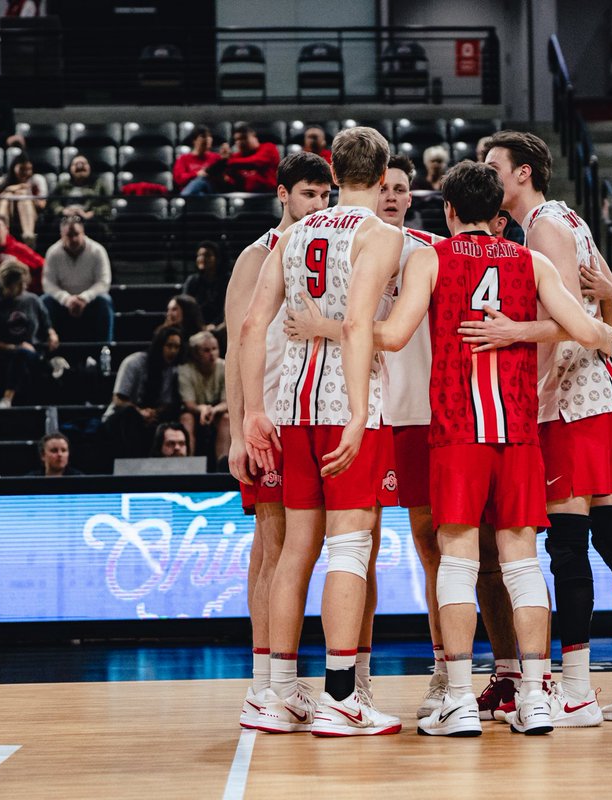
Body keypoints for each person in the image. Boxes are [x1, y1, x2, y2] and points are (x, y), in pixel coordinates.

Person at [372, 161, 612, 736]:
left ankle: (457, 699)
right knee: (523, 567)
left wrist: (332, 325)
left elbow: (392, 335)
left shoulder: (431, 257)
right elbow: (594, 333)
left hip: (456, 432)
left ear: (449, 211)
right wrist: (533, 329)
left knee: (456, 563)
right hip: (519, 434)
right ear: (499, 215)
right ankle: (534, 697)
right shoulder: (530, 261)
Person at [483, 129, 612, 723]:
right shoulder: (568, 219)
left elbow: (570, 322)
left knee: (568, 547)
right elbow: (609, 305)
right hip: (605, 394)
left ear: (523, 174)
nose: (487, 175)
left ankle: (574, 687)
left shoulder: (543, 226)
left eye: (494, 167)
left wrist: (514, 335)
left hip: (572, 400)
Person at [238, 127, 403, 736]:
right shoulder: (380, 234)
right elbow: (358, 325)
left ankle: (275, 693)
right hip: (342, 402)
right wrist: (360, 412)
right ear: (383, 175)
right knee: (351, 547)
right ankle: (341, 697)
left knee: (296, 549)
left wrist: (255, 410)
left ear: (334, 174)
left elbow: (255, 326)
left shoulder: (295, 231)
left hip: (292, 404)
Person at [283, 153, 450, 719]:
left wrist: (322, 328)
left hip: (421, 413)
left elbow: (380, 331)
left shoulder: (426, 250)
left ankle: (444, 676)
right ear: (374, 189)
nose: (395, 197)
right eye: (389, 188)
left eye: (404, 190)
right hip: (371, 411)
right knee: (363, 550)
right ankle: (356, 678)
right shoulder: (351, 241)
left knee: (433, 548)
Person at [223, 151, 332, 730]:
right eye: (308, 194)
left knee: (304, 549)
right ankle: (266, 683)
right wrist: (240, 427)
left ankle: (281, 681)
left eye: (325, 195)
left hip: (313, 413)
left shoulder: (329, 250)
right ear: (283, 194)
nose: (318, 204)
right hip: (268, 420)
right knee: (273, 544)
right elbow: (236, 346)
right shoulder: (258, 254)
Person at [0, 259, 60, 408]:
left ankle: (7, 397)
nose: (25, 286)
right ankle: (9, 396)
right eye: (20, 283)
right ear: (10, 285)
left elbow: (47, 326)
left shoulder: (33, 300)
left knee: (24, 356)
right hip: (3, 355)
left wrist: (52, 336)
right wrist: (15, 347)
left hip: (33, 355)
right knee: (19, 356)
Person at [102, 326, 185, 458]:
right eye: (169, 346)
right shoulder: (134, 362)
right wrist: (140, 412)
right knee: (130, 416)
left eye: (177, 347)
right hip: (121, 417)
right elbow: (118, 399)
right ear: (160, 345)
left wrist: (153, 413)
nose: (173, 351)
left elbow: (167, 403)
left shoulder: (172, 370)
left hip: (152, 418)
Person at [42, 214, 114, 343]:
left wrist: (83, 298)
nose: (73, 239)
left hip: (90, 302)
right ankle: (47, 349)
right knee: (44, 300)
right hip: (63, 303)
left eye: (76, 234)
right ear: (61, 235)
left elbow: (104, 282)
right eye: (69, 235)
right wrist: (66, 299)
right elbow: (48, 283)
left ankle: (104, 348)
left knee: (105, 300)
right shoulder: (53, 252)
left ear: (83, 233)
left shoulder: (97, 251)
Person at [178, 330, 228, 466]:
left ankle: (222, 466)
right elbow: (188, 403)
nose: (211, 354)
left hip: (217, 412)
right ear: (195, 353)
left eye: (214, 349)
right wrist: (202, 409)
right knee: (186, 418)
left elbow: (228, 402)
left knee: (227, 418)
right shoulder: (185, 371)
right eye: (206, 350)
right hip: (195, 413)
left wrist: (213, 410)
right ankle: (186, 465)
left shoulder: (225, 367)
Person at [0, 153, 47, 245]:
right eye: (22, 169)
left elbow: (42, 205)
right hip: (6, 213)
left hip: (31, 216)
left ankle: (29, 237)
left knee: (23, 196)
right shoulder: (0, 182)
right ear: (13, 168)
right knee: (7, 197)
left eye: (29, 169)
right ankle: (4, 235)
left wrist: (28, 193)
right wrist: (7, 191)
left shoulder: (37, 180)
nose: (26, 173)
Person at [182, 241, 226, 332]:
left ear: (217, 259)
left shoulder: (226, 280)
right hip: (197, 326)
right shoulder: (192, 281)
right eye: (199, 255)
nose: (202, 258)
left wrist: (214, 325)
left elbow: (229, 307)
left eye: (207, 255)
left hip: (221, 325)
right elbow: (186, 306)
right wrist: (201, 326)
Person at [174, 125, 224, 194]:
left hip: (211, 192)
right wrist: (197, 174)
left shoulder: (216, 157)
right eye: (203, 136)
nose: (207, 139)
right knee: (200, 191)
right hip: (193, 194)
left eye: (209, 136)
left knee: (203, 179)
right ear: (194, 140)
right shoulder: (183, 158)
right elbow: (179, 179)